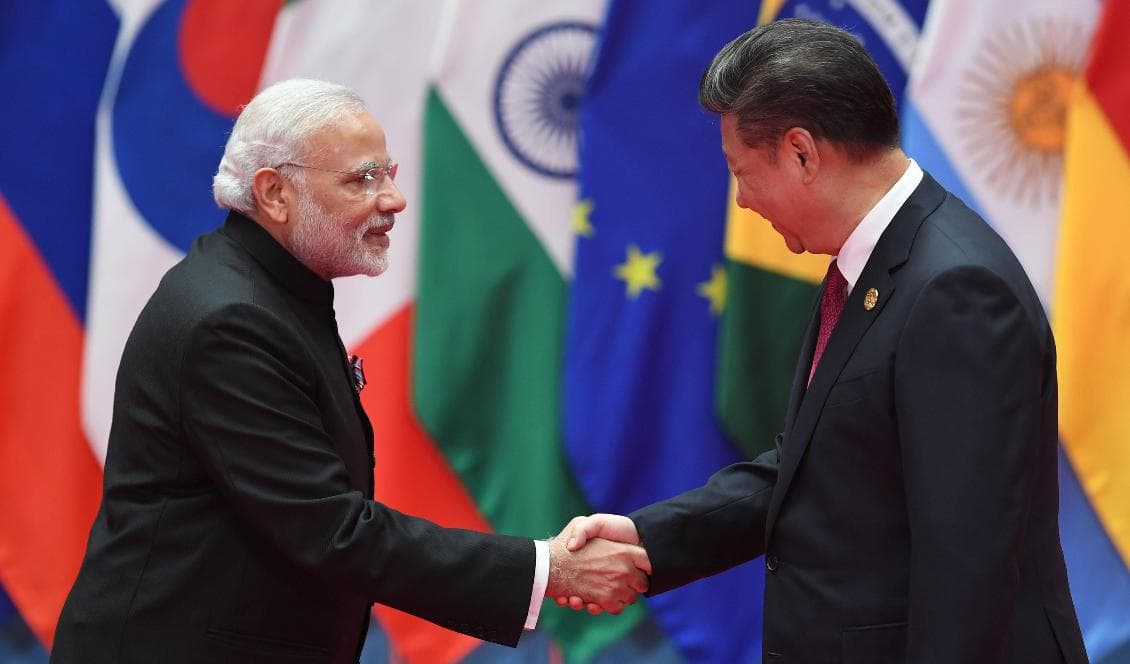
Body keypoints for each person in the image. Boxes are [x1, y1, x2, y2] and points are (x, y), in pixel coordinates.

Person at [52, 79, 649, 664]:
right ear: (274, 193)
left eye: (388, 172)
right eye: (363, 178)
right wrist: (547, 568)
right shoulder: (231, 320)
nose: (394, 199)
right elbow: (332, 531)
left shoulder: (264, 288)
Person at [560, 19, 1088, 663]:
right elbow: (814, 464)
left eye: (741, 171)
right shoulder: (869, 261)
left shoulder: (957, 289)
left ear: (803, 153)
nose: (743, 201)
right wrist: (648, 538)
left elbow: (966, 567)